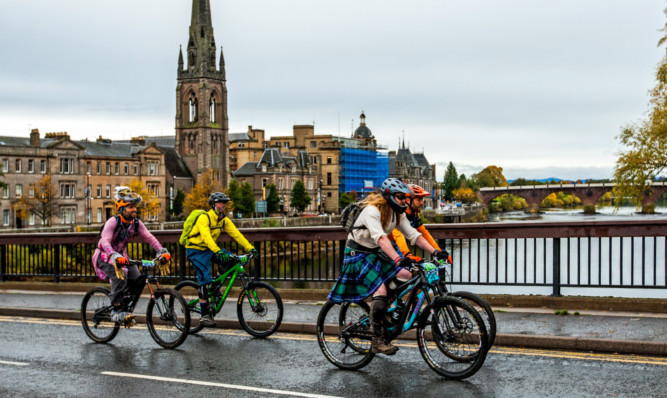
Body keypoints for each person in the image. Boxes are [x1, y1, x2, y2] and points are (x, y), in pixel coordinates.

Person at [327, 178, 445, 355]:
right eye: (401, 197)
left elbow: (414, 235)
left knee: (407, 275)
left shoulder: (398, 213)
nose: (405, 201)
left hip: (376, 253)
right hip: (358, 255)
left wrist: (435, 252)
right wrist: (398, 258)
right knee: (380, 290)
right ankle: (377, 340)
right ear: (389, 196)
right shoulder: (372, 211)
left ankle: (388, 314)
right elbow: (381, 238)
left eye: (406, 197)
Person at [92, 187, 171, 325]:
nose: (134, 209)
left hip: (123, 256)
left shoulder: (135, 223)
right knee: (120, 275)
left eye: (135, 206)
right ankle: (117, 310)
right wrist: (114, 256)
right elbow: (104, 241)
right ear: (121, 208)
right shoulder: (113, 222)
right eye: (130, 207)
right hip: (105, 255)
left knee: (137, 278)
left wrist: (161, 251)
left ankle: (125, 303)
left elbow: (149, 237)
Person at [185, 192, 259, 327]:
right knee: (204, 280)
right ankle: (205, 315)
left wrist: (250, 248)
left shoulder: (223, 219)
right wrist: (218, 251)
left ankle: (216, 286)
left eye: (224, 203)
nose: (223, 205)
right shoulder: (204, 218)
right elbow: (207, 238)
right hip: (196, 250)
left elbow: (236, 234)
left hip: (209, 249)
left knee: (231, 261)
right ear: (213, 205)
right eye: (220, 202)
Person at [390, 184, 451, 263]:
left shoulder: (414, 215)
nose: (422, 203)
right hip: (384, 247)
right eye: (419, 200)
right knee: (405, 273)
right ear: (408, 200)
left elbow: (424, 234)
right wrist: (407, 254)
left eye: (422, 199)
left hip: (394, 248)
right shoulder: (398, 213)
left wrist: (438, 252)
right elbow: (398, 235)